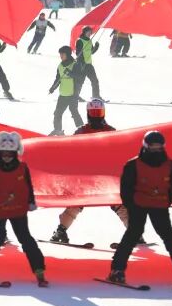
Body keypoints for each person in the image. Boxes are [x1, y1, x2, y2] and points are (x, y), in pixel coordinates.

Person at [107, 131, 172, 286]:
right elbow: (126, 189)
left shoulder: (170, 165)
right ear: (146, 146)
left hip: (160, 205)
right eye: (153, 146)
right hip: (138, 205)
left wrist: (165, 202)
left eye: (159, 147)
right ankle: (117, 270)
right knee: (133, 234)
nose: (156, 149)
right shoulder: (133, 165)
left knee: (167, 235)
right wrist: (132, 205)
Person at [49, 99, 131, 244]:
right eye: (94, 113)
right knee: (77, 202)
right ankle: (61, 231)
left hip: (106, 175)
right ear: (88, 113)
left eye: (98, 112)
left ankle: (134, 232)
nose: (96, 116)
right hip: (86, 176)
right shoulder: (81, 131)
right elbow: (70, 151)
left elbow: (121, 151)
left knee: (118, 202)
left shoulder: (111, 131)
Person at [0, 131, 46, 285]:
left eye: (10, 153)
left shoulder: (23, 168)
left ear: (15, 153)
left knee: (25, 238)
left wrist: (31, 201)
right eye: (4, 153)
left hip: (19, 208)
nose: (7, 156)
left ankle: (39, 269)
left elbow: (29, 185)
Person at [48, 45, 83, 135]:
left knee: (74, 112)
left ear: (68, 54)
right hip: (63, 94)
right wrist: (53, 87)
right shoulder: (60, 66)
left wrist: (70, 73)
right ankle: (58, 130)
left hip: (73, 94)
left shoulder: (75, 64)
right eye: (60, 54)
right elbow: (58, 79)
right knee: (57, 113)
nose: (61, 56)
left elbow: (80, 77)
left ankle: (82, 130)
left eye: (62, 54)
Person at [74, 26, 101, 99]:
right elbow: (78, 53)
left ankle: (96, 96)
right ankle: (75, 96)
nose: (90, 33)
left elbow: (91, 52)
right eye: (88, 32)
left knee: (94, 80)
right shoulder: (80, 41)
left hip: (89, 64)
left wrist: (96, 47)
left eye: (90, 32)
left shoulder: (89, 40)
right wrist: (82, 62)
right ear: (84, 32)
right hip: (81, 64)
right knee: (80, 81)